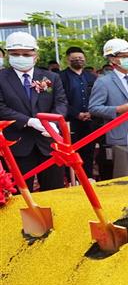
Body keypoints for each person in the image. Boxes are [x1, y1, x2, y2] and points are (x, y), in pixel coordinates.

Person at [0, 31, 68, 191]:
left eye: (26, 54)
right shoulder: (2, 78)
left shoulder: (51, 77)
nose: (21, 57)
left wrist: (53, 122)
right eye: (15, 54)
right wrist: (29, 121)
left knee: (54, 190)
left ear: (35, 55)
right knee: (20, 193)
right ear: (8, 55)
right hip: (17, 144)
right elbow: (1, 107)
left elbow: (61, 102)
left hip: (49, 144)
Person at [88, 39, 128, 178]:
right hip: (120, 138)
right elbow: (94, 108)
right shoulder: (104, 82)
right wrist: (118, 109)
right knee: (124, 177)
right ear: (112, 59)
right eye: (124, 56)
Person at [59, 46, 98, 180]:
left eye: (80, 58)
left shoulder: (92, 77)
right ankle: (72, 180)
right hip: (70, 122)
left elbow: (97, 96)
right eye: (74, 58)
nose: (78, 60)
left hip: (90, 120)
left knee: (89, 151)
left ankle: (88, 178)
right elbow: (60, 100)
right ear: (68, 60)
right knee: (72, 151)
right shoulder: (61, 77)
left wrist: (91, 112)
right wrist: (76, 114)